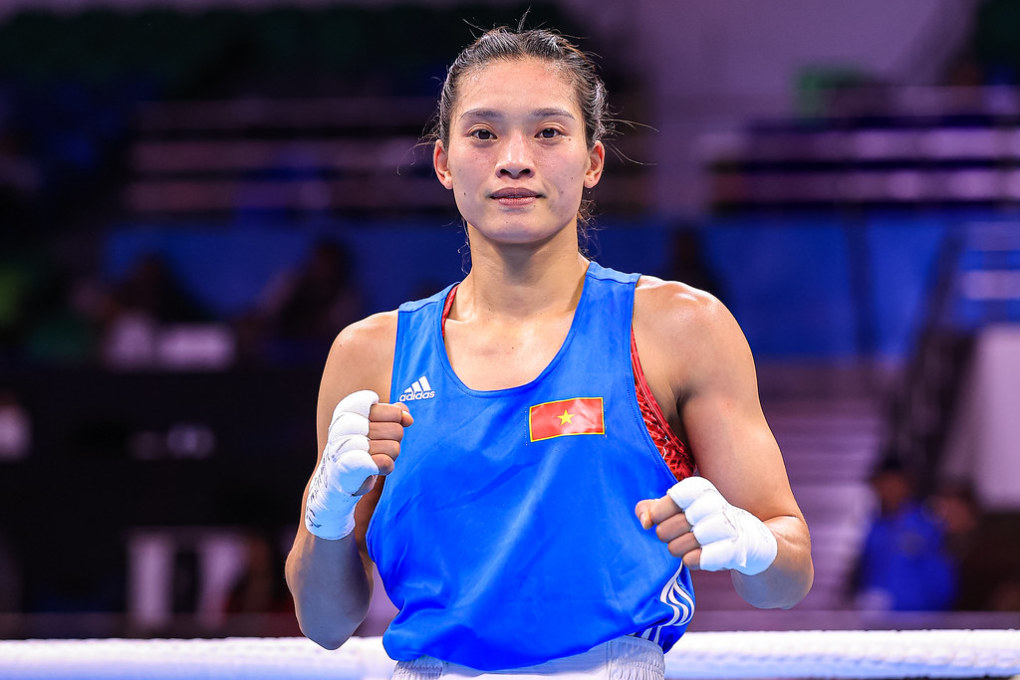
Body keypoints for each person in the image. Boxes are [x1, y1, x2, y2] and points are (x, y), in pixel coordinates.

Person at [286, 25, 813, 679]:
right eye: (484, 133)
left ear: (593, 161)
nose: (514, 159)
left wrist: (752, 544)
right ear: (444, 162)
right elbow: (326, 623)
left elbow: (787, 579)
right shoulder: (369, 355)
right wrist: (327, 517)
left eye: (548, 132)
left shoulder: (680, 329)